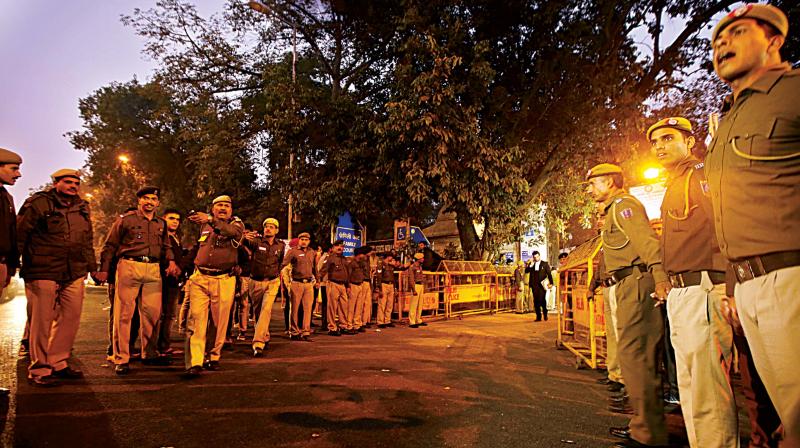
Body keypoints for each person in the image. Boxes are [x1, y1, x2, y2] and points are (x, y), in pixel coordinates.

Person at [706, 4, 799, 445]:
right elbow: (728, 213)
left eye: (737, 32)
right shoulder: (730, 118)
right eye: (717, 40)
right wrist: (732, 288)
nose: (722, 43)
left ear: (774, 40)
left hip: (792, 276)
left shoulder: (793, 92)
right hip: (750, 287)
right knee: (786, 413)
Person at [648, 117, 737, 446]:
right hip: (682, 291)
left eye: (668, 138)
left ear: (689, 141)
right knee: (691, 387)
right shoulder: (675, 182)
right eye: (655, 141)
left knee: (707, 389)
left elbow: (723, 224)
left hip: (704, 288)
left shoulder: (701, 174)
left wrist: (729, 286)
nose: (659, 146)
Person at [585, 163, 670, 448]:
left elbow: (648, 244)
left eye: (593, 184)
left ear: (610, 182)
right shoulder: (612, 211)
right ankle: (644, 426)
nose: (589, 190)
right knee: (634, 358)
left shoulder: (624, 206)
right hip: (625, 285)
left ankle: (649, 434)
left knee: (636, 357)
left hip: (637, 284)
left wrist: (660, 278)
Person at [17, 169, 95, 386]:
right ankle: (40, 369)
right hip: (43, 269)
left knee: (71, 317)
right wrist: (12, 261)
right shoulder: (38, 203)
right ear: (56, 183)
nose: (73, 186)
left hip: (74, 270)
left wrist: (93, 267)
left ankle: (58, 361)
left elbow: (87, 238)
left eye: (76, 183)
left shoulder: (82, 207)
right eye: (68, 182)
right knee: (41, 321)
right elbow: (20, 233)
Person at [98, 186, 179, 375]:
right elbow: (110, 245)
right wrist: (103, 270)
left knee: (152, 315)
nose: (150, 202)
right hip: (129, 265)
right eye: (146, 198)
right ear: (139, 201)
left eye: (153, 199)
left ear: (158, 203)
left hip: (153, 269)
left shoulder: (161, 223)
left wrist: (172, 261)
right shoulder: (125, 220)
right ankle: (121, 358)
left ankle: (149, 354)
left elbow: (166, 245)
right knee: (124, 315)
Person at [183, 195, 244, 376]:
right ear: (213, 208)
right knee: (196, 320)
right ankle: (195, 361)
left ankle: (213, 356)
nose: (223, 208)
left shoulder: (237, 225)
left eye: (226, 205)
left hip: (223, 279)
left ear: (231, 210)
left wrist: (211, 220)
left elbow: (231, 233)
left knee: (219, 322)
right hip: (200, 277)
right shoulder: (205, 226)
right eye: (219, 205)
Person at [244, 217, 285, 356]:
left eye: (272, 227)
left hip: (272, 282)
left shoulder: (281, 245)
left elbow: (281, 262)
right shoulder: (255, 242)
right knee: (258, 312)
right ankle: (265, 335)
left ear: (277, 230)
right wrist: (243, 235)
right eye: (266, 226)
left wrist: (277, 275)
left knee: (266, 310)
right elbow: (242, 242)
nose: (268, 228)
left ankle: (258, 343)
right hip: (255, 281)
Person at [0, 147, 21, 395]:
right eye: (13, 169)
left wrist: (11, 266)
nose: (18, 174)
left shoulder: (6, 197)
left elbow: (11, 235)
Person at [283, 232, 318, 341]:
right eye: (302, 239)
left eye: (306, 239)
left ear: (309, 241)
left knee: (308, 309)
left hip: (308, 283)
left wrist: (318, 280)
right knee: (294, 308)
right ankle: (294, 332)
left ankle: (305, 332)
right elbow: (283, 264)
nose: (304, 241)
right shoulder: (293, 251)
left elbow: (315, 268)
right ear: (299, 240)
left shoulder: (312, 252)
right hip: (296, 283)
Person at [320, 240, 350, 336]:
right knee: (332, 307)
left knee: (344, 307)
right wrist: (317, 281)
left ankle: (343, 326)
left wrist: (348, 285)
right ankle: (332, 328)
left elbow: (347, 273)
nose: (340, 248)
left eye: (341, 246)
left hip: (343, 285)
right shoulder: (330, 258)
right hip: (333, 284)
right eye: (337, 246)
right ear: (333, 248)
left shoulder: (344, 259)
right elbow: (323, 271)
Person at [376, 253, 406, 328]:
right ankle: (380, 322)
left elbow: (393, 278)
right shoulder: (380, 265)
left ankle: (387, 320)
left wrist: (395, 288)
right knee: (382, 304)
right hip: (384, 284)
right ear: (388, 257)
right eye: (391, 257)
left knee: (390, 304)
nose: (392, 259)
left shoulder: (391, 266)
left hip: (391, 284)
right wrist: (379, 288)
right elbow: (379, 277)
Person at [524, 251, 553, 321]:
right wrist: (530, 265)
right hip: (534, 285)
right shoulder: (532, 264)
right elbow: (526, 271)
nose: (536, 258)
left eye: (537, 257)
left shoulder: (545, 264)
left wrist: (551, 283)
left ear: (539, 256)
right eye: (534, 257)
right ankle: (538, 316)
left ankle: (545, 314)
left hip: (542, 285)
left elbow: (549, 274)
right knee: (536, 301)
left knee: (542, 300)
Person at [347, 246, 368, 332]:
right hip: (353, 285)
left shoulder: (361, 263)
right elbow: (348, 275)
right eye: (362, 254)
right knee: (351, 307)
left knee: (359, 306)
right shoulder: (352, 263)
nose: (364, 255)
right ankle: (349, 325)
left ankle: (357, 324)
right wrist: (348, 286)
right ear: (359, 254)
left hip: (360, 284)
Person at [406, 253, 426, 328]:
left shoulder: (420, 267)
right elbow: (411, 279)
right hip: (416, 285)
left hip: (421, 285)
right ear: (418, 259)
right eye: (422, 258)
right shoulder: (412, 267)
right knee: (413, 304)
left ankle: (418, 319)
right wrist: (413, 289)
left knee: (420, 304)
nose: (423, 259)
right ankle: (412, 321)